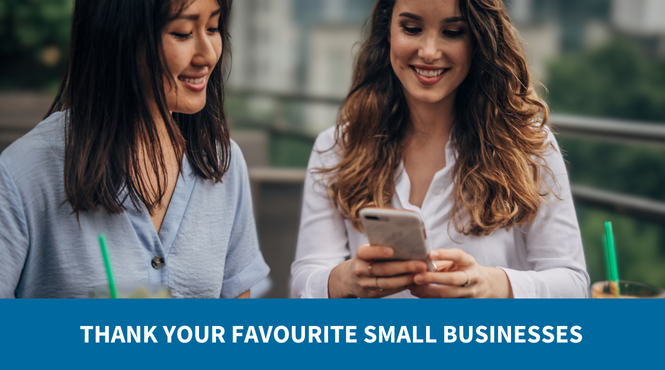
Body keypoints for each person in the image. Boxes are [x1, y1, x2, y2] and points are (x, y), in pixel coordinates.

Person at [291, 0, 588, 299]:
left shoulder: (530, 147)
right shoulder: (336, 147)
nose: (430, 52)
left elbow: (574, 286)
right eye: (411, 29)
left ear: (478, 39)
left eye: (453, 32)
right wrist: (344, 280)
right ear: (388, 30)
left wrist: (493, 285)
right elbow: (304, 282)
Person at [0, 0, 270, 298]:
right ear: (120, 35)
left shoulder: (221, 164)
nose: (208, 54)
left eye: (213, 28)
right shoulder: (23, 172)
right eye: (182, 33)